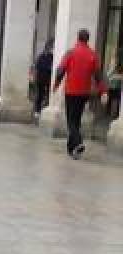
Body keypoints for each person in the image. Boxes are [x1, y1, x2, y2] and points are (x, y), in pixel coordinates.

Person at [54, 28, 103, 159]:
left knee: (71, 120)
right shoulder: (93, 55)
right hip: (84, 92)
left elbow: (60, 70)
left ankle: (78, 142)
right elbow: (98, 74)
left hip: (71, 91)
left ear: (78, 38)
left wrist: (56, 85)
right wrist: (102, 89)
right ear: (88, 39)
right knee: (76, 118)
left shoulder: (70, 52)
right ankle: (71, 149)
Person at [33, 39, 54, 117]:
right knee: (40, 95)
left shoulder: (52, 57)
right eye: (50, 47)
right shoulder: (41, 56)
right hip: (41, 78)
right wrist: (35, 77)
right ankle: (37, 110)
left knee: (48, 94)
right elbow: (37, 67)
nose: (50, 49)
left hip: (49, 79)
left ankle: (44, 108)